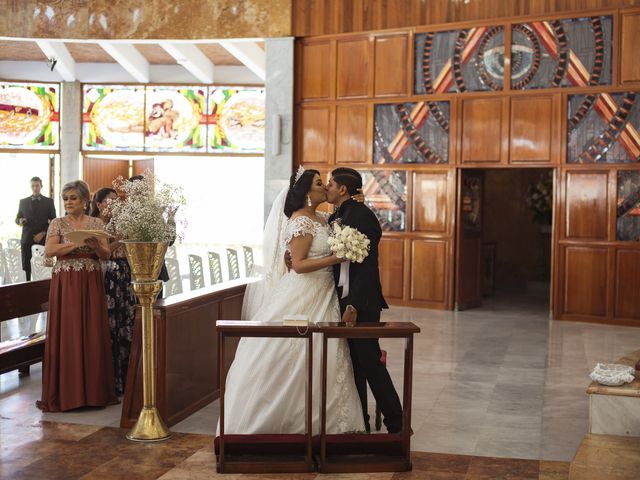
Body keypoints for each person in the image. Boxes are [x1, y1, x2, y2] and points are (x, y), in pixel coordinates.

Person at [219, 168, 365, 435]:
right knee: (289, 353)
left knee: (326, 355)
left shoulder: (323, 218)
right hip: (304, 292)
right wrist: (336, 258)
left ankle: (324, 423)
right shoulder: (302, 222)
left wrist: (359, 201)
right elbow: (297, 264)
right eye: (320, 183)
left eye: (326, 183)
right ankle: (276, 420)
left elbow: (341, 222)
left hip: (325, 293)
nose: (325, 187)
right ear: (308, 192)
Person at [326, 167, 404, 434]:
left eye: (330, 183)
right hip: (343, 297)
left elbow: (365, 266)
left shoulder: (362, 215)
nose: (327, 187)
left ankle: (397, 424)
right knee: (355, 365)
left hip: (360, 302)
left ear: (343, 189)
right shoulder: (339, 214)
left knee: (370, 363)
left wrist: (353, 305)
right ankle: (362, 424)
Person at [37, 180, 118, 412]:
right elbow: (50, 251)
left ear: (84, 200)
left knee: (92, 329)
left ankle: (93, 393)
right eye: (65, 199)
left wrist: (95, 246)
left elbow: (104, 255)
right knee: (68, 329)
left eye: (73, 198)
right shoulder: (57, 223)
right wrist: (75, 244)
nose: (69, 202)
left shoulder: (96, 222)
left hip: (91, 280)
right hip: (66, 281)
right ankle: (68, 393)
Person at [91, 187, 137, 397]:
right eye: (110, 200)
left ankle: (127, 378)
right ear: (99, 204)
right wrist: (120, 239)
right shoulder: (94, 224)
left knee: (125, 324)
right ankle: (109, 380)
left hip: (124, 274)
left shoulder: (122, 222)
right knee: (108, 325)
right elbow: (103, 253)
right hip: (105, 275)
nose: (115, 203)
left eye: (117, 200)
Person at [15, 176, 56, 281]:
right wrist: (20, 221)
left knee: (44, 266)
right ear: (30, 186)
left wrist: (42, 233)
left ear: (41, 186)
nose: (35, 188)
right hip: (27, 239)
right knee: (27, 266)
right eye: (33, 185)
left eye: (37, 185)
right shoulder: (23, 202)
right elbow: (17, 218)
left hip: (43, 239)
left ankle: (43, 288)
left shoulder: (49, 202)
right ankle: (27, 287)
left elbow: (54, 221)